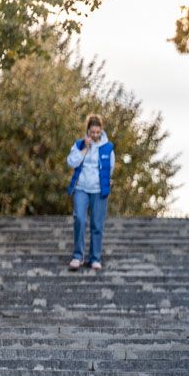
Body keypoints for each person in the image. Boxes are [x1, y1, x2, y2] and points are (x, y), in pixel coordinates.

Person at [66, 113, 115, 271]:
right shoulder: (79, 144)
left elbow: (110, 168)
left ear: (101, 131)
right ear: (87, 131)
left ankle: (95, 258)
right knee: (79, 218)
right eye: (92, 132)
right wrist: (85, 150)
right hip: (81, 188)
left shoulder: (108, 147)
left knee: (97, 224)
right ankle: (78, 256)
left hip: (98, 190)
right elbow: (71, 162)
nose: (94, 135)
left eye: (97, 132)